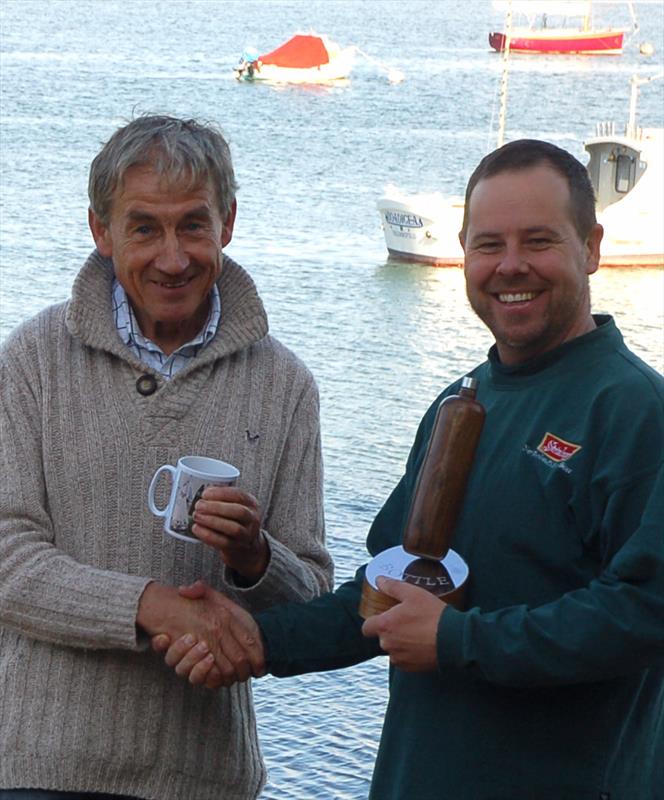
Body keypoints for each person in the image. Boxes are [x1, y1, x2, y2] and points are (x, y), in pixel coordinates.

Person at [155, 139, 664, 799]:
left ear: (591, 246)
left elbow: (643, 612)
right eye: (488, 245)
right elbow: (386, 591)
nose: (511, 266)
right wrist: (255, 639)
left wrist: (459, 641)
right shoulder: (460, 401)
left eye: (537, 241)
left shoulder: (631, 409)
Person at [0, 114, 333, 799]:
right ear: (101, 232)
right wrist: (154, 607)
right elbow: (7, 559)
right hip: (39, 768)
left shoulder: (285, 385)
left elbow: (312, 601)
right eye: (144, 227)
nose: (173, 257)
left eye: (192, 225)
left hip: (206, 776)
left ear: (228, 223)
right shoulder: (32, 360)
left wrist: (254, 559)